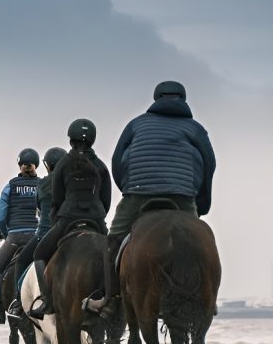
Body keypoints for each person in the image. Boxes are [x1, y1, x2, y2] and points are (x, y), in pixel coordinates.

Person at [83, 80, 216, 316]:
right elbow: (209, 165)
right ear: (183, 99)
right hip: (183, 195)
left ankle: (110, 298)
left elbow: (117, 161)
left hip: (138, 193)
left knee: (113, 239)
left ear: (155, 98)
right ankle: (208, 296)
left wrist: (129, 188)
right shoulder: (195, 128)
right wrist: (202, 203)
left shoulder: (136, 124)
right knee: (202, 239)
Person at [27, 119, 111, 319]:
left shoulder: (63, 164)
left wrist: (60, 216)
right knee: (114, 256)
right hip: (96, 220)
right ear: (92, 139)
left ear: (71, 139)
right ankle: (114, 299)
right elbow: (106, 200)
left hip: (67, 220)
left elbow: (57, 198)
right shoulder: (100, 165)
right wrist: (97, 215)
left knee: (38, 254)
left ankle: (47, 300)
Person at [6, 146, 67, 319]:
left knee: (24, 261)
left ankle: (20, 301)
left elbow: (39, 209)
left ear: (47, 166)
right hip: (72, 229)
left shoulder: (44, 183)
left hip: (45, 232)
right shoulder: (69, 180)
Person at [0, 148, 41, 326]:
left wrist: (6, 233)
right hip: (37, 237)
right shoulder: (43, 185)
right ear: (36, 165)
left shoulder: (10, 186)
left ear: (19, 165)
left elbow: (0, 215)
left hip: (15, 237)